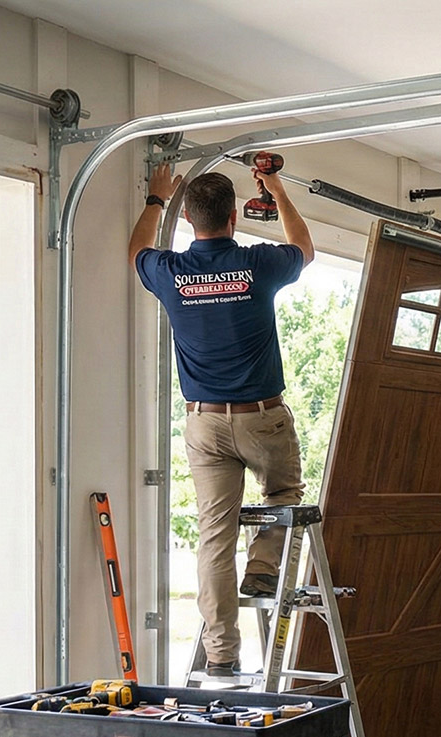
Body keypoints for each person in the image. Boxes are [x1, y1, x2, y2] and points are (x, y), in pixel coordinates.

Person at [131, 161, 313, 677]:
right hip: (263, 419)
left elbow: (136, 252)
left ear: (190, 219)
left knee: (215, 536)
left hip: (204, 423)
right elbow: (305, 247)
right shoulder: (257, 264)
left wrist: (155, 198)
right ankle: (261, 570)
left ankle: (221, 656)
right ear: (234, 217)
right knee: (283, 497)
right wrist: (277, 191)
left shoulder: (171, 273)